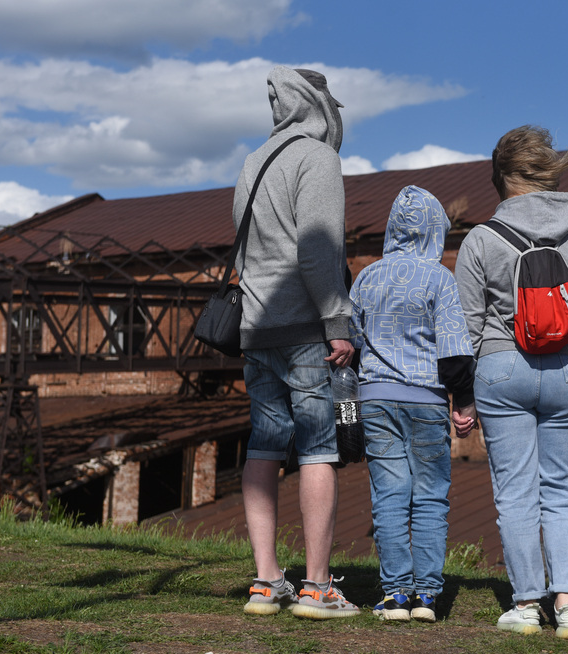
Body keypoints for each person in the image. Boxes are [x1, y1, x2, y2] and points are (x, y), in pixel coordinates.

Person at [454, 125, 568, 639]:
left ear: (500, 178)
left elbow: (465, 324)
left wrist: (473, 381)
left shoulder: (481, 240)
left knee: (516, 492)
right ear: (547, 175)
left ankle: (526, 604)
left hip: (503, 371)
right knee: (564, 491)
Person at [234, 65, 359, 620]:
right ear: (319, 105)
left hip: (255, 330)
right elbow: (317, 251)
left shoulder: (251, 163)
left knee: (263, 446)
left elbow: (243, 257)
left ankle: (265, 582)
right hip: (307, 330)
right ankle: (317, 586)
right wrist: (338, 321)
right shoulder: (317, 158)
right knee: (316, 450)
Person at [349, 185, 477, 623]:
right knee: (429, 497)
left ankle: (395, 594)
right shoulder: (440, 278)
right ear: (433, 231)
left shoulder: (367, 276)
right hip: (425, 399)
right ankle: (426, 596)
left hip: (375, 399)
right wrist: (463, 402)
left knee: (388, 494)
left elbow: (351, 342)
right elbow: (455, 351)